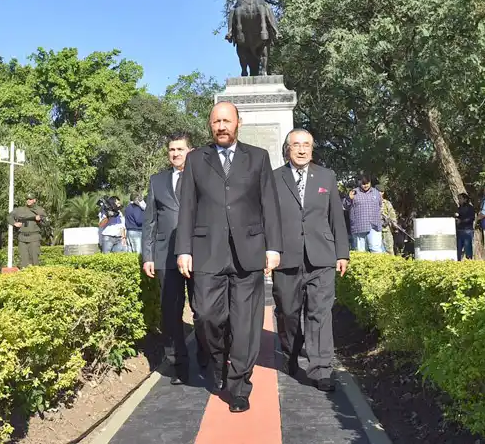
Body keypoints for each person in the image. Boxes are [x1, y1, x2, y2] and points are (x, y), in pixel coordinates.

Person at [175, 102, 282, 414]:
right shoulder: (196, 159)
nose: (221, 126)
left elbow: (269, 204)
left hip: (248, 252)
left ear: (238, 123)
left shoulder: (258, 157)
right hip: (207, 252)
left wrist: (273, 247)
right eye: (216, 121)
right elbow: (187, 206)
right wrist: (184, 249)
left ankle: (239, 386)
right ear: (210, 125)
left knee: (245, 325)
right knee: (206, 315)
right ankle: (218, 359)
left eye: (227, 121)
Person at [272, 129, 349, 392]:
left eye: (306, 145)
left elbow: (336, 216)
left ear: (312, 148)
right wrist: (268, 251)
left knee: (320, 313)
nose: (302, 149)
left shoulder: (327, 176)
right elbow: (267, 219)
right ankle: (290, 352)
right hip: (286, 258)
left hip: (321, 256)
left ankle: (321, 369)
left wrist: (342, 253)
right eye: (296, 145)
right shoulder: (274, 178)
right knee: (288, 312)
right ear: (288, 149)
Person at [141, 133, 208, 385]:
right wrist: (148, 255)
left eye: (180, 149)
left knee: (203, 311)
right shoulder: (157, 181)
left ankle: (206, 354)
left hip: (199, 255)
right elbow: (150, 221)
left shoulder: (204, 178)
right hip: (165, 257)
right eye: (172, 150)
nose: (176, 153)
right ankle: (179, 365)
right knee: (170, 313)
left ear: (190, 151)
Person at [7, 192, 46, 267]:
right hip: (22, 238)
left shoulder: (40, 210)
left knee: (34, 261)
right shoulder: (20, 210)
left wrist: (39, 220)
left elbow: (46, 223)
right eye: (27, 199)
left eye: (30, 199)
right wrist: (14, 223)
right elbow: (9, 216)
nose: (28, 200)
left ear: (34, 200)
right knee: (23, 262)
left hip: (34, 238)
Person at [348, 174, 384, 253]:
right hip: (359, 227)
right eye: (363, 184)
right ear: (360, 182)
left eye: (367, 183)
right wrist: (349, 199)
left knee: (376, 250)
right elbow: (344, 206)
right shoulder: (354, 192)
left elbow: (380, 205)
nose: (365, 185)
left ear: (370, 182)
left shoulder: (376, 193)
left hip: (374, 226)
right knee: (360, 252)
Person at [455, 193, 475, 260]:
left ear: (465, 199)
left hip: (467, 230)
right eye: (458, 199)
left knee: (467, 247)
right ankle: (458, 260)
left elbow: (471, 218)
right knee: (458, 248)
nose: (459, 200)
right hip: (459, 230)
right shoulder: (459, 208)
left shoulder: (470, 208)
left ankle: (469, 260)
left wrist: (461, 221)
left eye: (460, 198)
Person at [379, 186, 398, 255]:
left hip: (386, 228)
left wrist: (394, 224)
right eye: (379, 192)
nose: (380, 193)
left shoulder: (387, 203)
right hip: (375, 229)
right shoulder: (371, 203)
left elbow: (392, 215)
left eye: (382, 192)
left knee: (389, 248)